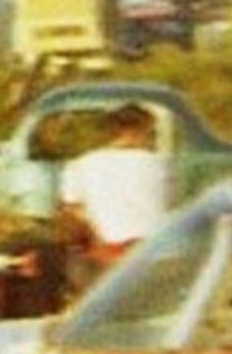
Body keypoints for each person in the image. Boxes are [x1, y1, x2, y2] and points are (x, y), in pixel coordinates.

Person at [58, 104, 170, 288]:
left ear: (111, 131)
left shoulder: (79, 165)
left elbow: (72, 214)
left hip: (106, 262)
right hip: (157, 258)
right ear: (143, 130)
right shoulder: (163, 165)